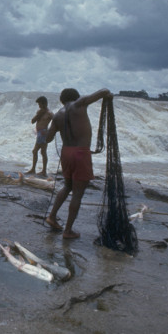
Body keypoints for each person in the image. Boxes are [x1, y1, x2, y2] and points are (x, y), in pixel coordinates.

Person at [45, 88, 112, 239]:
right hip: (81, 153)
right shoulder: (80, 104)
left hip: (66, 153)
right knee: (78, 193)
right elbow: (103, 91)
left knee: (67, 185)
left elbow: (48, 139)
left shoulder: (56, 116)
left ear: (62, 100)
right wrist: (108, 95)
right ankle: (68, 231)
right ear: (76, 97)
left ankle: (52, 216)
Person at [26, 96, 53, 176]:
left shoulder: (49, 113)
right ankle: (42, 171)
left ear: (44, 104)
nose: (39, 106)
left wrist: (51, 132)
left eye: (39, 104)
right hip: (40, 133)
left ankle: (35, 169)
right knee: (43, 152)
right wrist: (39, 114)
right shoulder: (40, 112)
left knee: (35, 151)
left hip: (43, 133)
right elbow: (32, 121)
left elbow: (56, 121)